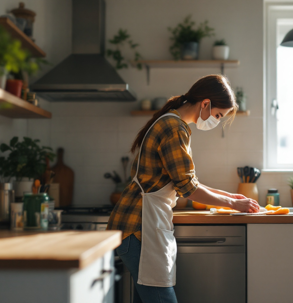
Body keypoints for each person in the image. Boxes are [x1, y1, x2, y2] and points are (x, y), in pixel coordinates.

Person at [106, 74, 260, 303]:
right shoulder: (173, 128)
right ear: (205, 104)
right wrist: (234, 203)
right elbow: (188, 189)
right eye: (218, 115)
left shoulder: (173, 123)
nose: (216, 121)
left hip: (141, 227)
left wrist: (228, 195)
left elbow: (187, 181)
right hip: (139, 228)